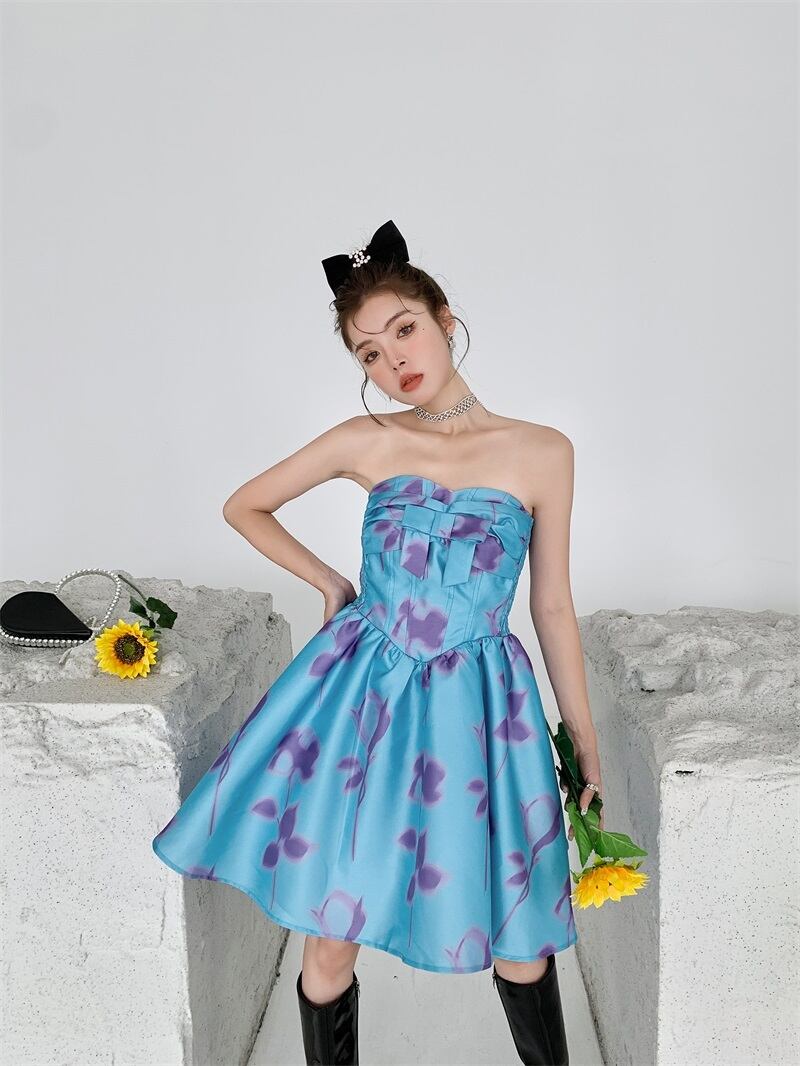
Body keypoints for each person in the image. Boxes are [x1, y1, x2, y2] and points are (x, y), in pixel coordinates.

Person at [152, 220, 603, 1066]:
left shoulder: (542, 452)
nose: (394, 360)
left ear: (444, 319)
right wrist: (330, 583)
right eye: (369, 352)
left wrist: (582, 740)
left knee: (518, 938)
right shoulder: (367, 442)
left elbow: (551, 607)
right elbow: (244, 505)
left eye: (404, 330)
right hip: (364, 699)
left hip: (480, 709)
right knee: (330, 932)